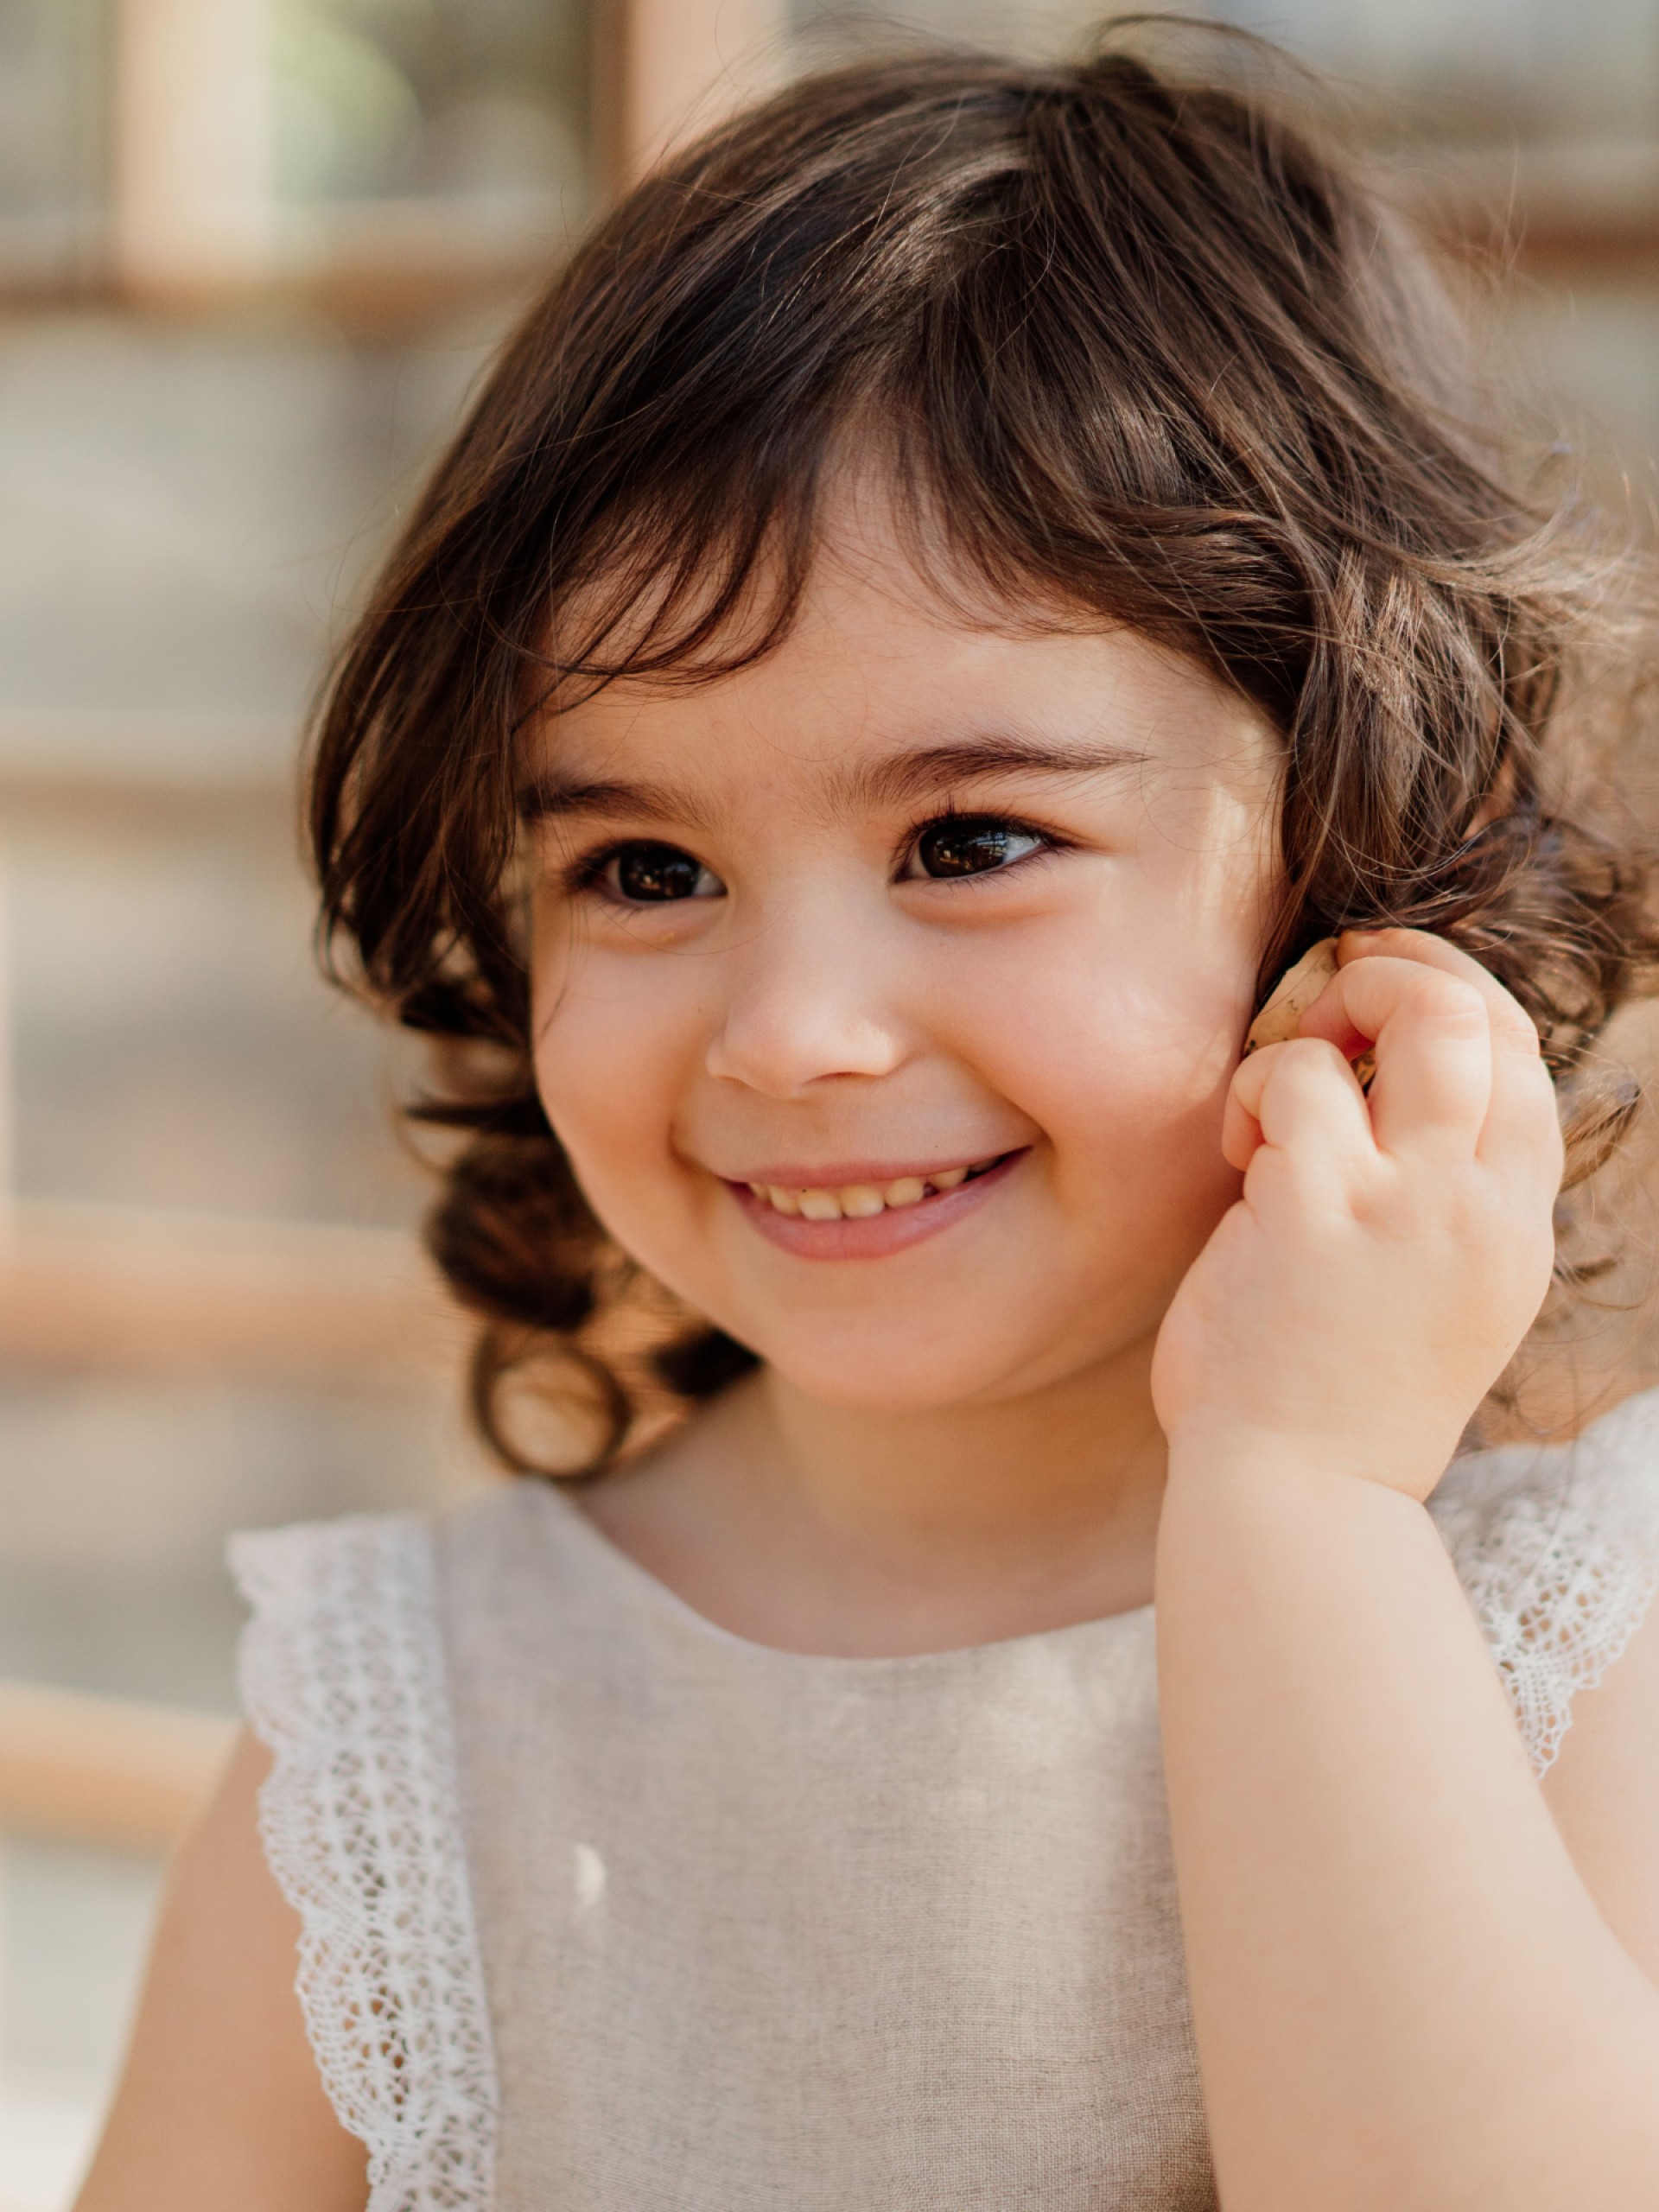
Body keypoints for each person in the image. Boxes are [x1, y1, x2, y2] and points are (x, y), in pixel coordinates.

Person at [76, 25, 1659, 2212]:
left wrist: (1298, 1504)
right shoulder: (395, 1725)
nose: (793, 1031)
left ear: (1365, 844)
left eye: (973, 840)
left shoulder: (1575, 1633)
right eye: (645, 869)